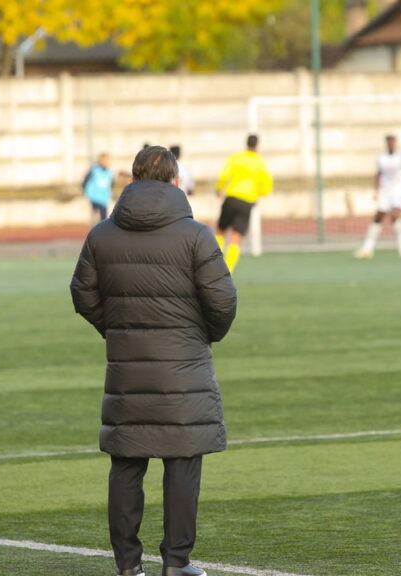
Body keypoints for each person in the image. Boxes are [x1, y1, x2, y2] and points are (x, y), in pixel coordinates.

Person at [71, 145, 237, 576]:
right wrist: (201, 335)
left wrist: (116, 328)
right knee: (182, 460)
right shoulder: (196, 235)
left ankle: (128, 566)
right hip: (184, 366)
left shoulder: (101, 235)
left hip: (127, 367)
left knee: (127, 462)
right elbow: (223, 300)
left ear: (132, 179)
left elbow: (82, 293)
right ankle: (176, 563)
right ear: (176, 181)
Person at [215, 134, 272, 273]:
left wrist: (219, 188)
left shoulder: (236, 158)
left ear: (246, 143)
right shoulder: (260, 162)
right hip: (247, 201)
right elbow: (267, 188)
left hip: (232, 197)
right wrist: (255, 194)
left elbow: (224, 175)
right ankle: (228, 270)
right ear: (257, 145)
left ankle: (213, 264)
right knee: (236, 237)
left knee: (221, 231)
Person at [354, 134, 401, 259]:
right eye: (389, 143)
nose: (391, 145)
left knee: (395, 215)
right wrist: (376, 191)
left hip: (399, 189)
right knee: (378, 217)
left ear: (395, 143)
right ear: (386, 144)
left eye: (393, 142)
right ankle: (367, 248)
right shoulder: (381, 158)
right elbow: (378, 174)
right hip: (385, 190)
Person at [83, 153, 115, 221]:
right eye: (104, 160)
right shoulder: (94, 170)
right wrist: (86, 192)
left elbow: (111, 184)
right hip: (94, 198)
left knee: (104, 218)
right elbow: (85, 181)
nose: (106, 162)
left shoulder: (109, 172)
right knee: (96, 217)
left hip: (104, 198)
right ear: (100, 161)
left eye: (107, 160)